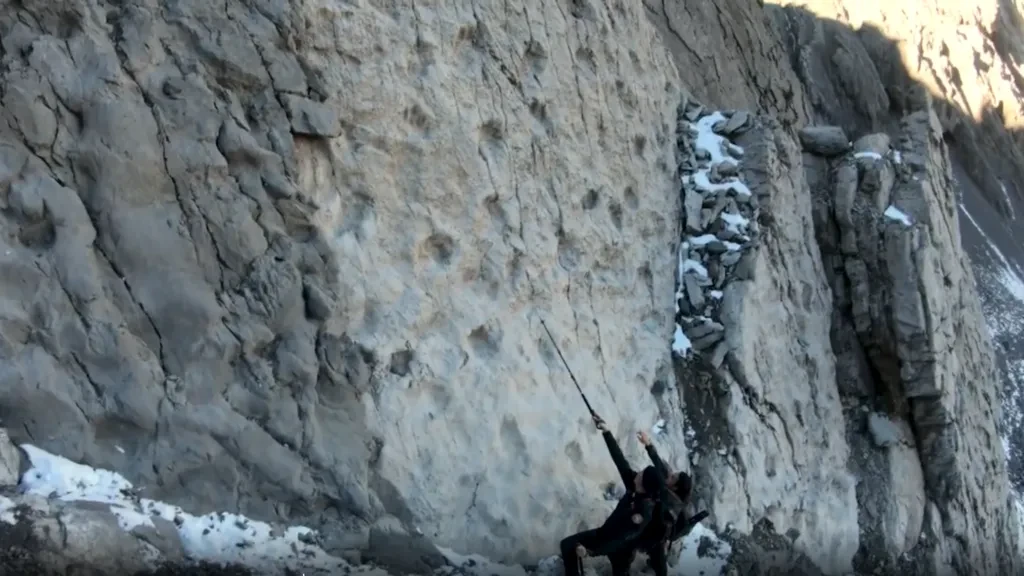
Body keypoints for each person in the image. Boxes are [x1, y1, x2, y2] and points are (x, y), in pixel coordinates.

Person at [558, 413, 668, 576]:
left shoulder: (642, 513)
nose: (637, 473)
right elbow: (620, 461)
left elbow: (620, 538)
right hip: (609, 537)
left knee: (569, 546)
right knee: (569, 546)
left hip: (617, 546)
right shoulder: (635, 486)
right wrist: (606, 432)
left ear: (644, 486)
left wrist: (590, 551)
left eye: (641, 474)